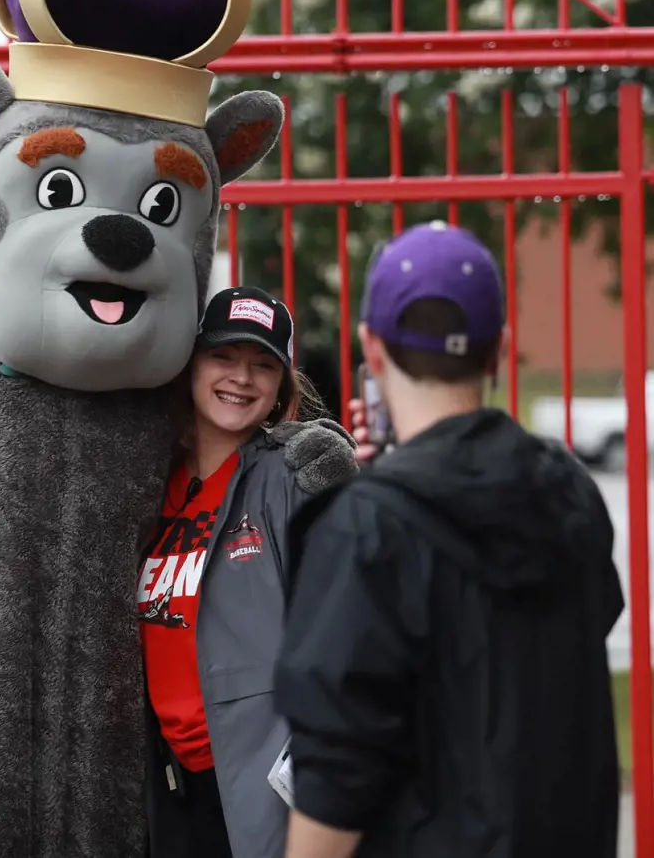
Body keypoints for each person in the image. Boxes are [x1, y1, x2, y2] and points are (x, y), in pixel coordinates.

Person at [274, 221, 624, 858]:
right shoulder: (569, 490)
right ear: (498, 350)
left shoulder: (364, 527)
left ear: (371, 350)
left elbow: (336, 778)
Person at [139, 285, 359, 858]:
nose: (241, 378)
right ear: (190, 365)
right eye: (224, 357)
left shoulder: (289, 478)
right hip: (166, 784)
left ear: (282, 388)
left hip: (259, 783)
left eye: (263, 365)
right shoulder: (145, 482)